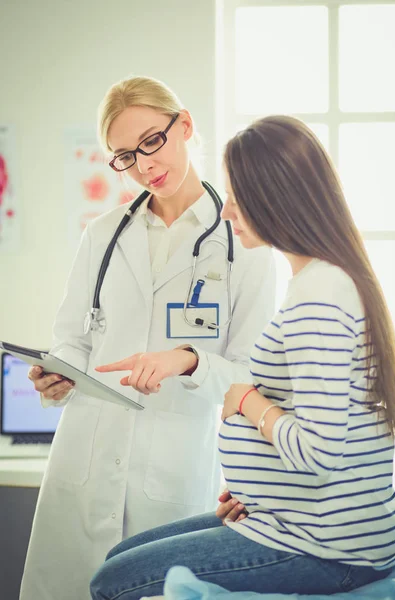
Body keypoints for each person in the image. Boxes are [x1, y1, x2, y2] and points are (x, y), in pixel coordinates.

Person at [90, 115, 395, 599]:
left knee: (111, 582)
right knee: (116, 560)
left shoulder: (319, 297)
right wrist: (261, 496)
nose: (228, 211)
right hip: (298, 521)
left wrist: (248, 399)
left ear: (275, 197)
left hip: (328, 550)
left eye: (238, 196)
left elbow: (319, 454)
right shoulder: (323, 280)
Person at [20, 77, 275, 600]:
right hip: (85, 462)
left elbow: (252, 375)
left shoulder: (244, 240)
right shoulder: (104, 234)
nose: (142, 166)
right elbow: (73, 340)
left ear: (184, 125)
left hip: (178, 468)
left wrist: (187, 361)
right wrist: (58, 375)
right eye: (124, 156)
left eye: (152, 142)